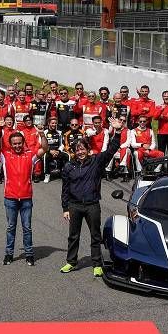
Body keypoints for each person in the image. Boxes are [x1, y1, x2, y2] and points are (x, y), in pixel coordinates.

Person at [59, 116, 125, 277]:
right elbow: (65, 189)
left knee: (96, 235)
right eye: (77, 150)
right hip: (74, 205)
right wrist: (65, 208)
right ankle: (71, 262)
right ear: (73, 152)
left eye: (83, 149)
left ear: (88, 150)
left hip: (92, 205)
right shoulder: (68, 166)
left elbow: (112, 150)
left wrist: (117, 131)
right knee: (73, 236)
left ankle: (97, 264)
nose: (80, 152)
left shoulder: (96, 161)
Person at [0, 115, 37, 265]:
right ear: (10, 144)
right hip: (10, 198)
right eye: (14, 143)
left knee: (27, 228)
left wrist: (41, 134)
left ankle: (29, 254)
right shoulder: (5, 155)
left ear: (23, 143)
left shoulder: (30, 155)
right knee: (11, 227)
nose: (17, 146)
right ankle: (9, 254)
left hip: (26, 198)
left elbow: (44, 149)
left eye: (19, 143)